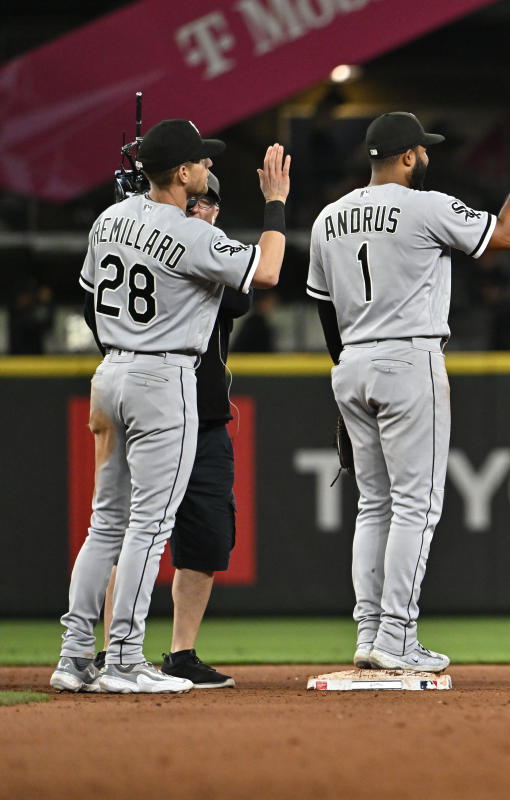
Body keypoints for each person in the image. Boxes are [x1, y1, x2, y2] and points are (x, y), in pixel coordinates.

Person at [50, 119, 290, 694]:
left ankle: (75, 655)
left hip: (109, 374)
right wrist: (276, 204)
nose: (209, 169)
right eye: (201, 162)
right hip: (163, 377)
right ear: (181, 173)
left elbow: (90, 296)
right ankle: (126, 659)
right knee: (149, 527)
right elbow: (270, 270)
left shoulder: (110, 218)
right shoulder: (192, 234)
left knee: (104, 523)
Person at [306, 108, 510, 672]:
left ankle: (369, 634)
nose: (429, 158)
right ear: (410, 155)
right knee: (417, 505)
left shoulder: (328, 218)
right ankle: (396, 636)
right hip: (408, 358)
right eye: (425, 150)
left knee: (374, 505)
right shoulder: (425, 205)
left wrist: (344, 370)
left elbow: (323, 304)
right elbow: (508, 235)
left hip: (352, 363)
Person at [92, 173, 247, 689]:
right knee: (135, 530)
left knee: (204, 538)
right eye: (194, 201)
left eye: (209, 204)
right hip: (155, 409)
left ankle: (181, 653)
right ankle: (115, 650)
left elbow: (238, 299)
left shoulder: (206, 252)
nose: (201, 209)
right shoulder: (170, 251)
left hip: (204, 420)